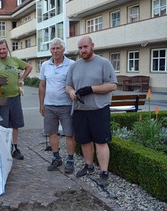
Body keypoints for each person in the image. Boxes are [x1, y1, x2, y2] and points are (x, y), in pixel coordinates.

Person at [65, 36, 117, 187]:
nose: (82, 50)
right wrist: (71, 92)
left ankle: (104, 172)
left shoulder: (103, 63)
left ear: (92, 46)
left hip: (98, 109)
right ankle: (89, 166)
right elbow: (68, 85)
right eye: (80, 48)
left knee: (101, 142)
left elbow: (113, 85)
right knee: (84, 141)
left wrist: (92, 89)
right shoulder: (74, 66)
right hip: (80, 110)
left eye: (85, 47)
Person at [39, 38, 76, 173]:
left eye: (58, 48)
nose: (55, 51)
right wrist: (41, 104)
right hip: (49, 105)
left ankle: (70, 160)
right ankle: (56, 157)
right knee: (52, 132)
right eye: (53, 49)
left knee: (69, 134)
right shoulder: (45, 65)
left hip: (66, 105)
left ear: (63, 50)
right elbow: (42, 85)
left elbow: (75, 84)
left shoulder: (72, 64)